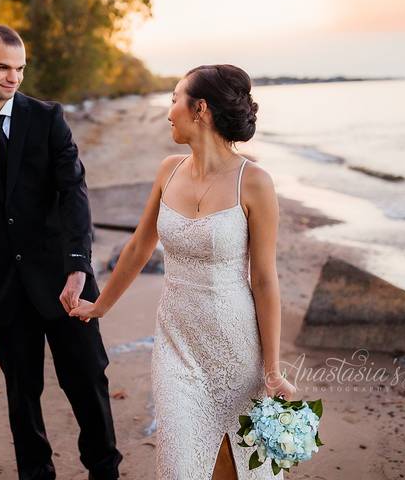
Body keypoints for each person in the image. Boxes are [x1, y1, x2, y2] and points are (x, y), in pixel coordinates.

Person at [70, 64, 296, 479]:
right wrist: (100, 306)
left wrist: (273, 369)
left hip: (235, 344)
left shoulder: (256, 182)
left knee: (239, 467)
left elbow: (264, 279)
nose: (169, 110)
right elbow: (140, 245)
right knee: (180, 466)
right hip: (177, 343)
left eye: (175, 99)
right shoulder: (168, 169)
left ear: (201, 110)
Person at [0, 24, 122, 480]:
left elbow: (74, 192)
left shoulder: (48, 118)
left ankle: (105, 471)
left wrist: (78, 267)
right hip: (5, 288)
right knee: (22, 394)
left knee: (87, 383)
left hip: (65, 282)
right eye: (2, 67)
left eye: (19, 69)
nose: (13, 77)